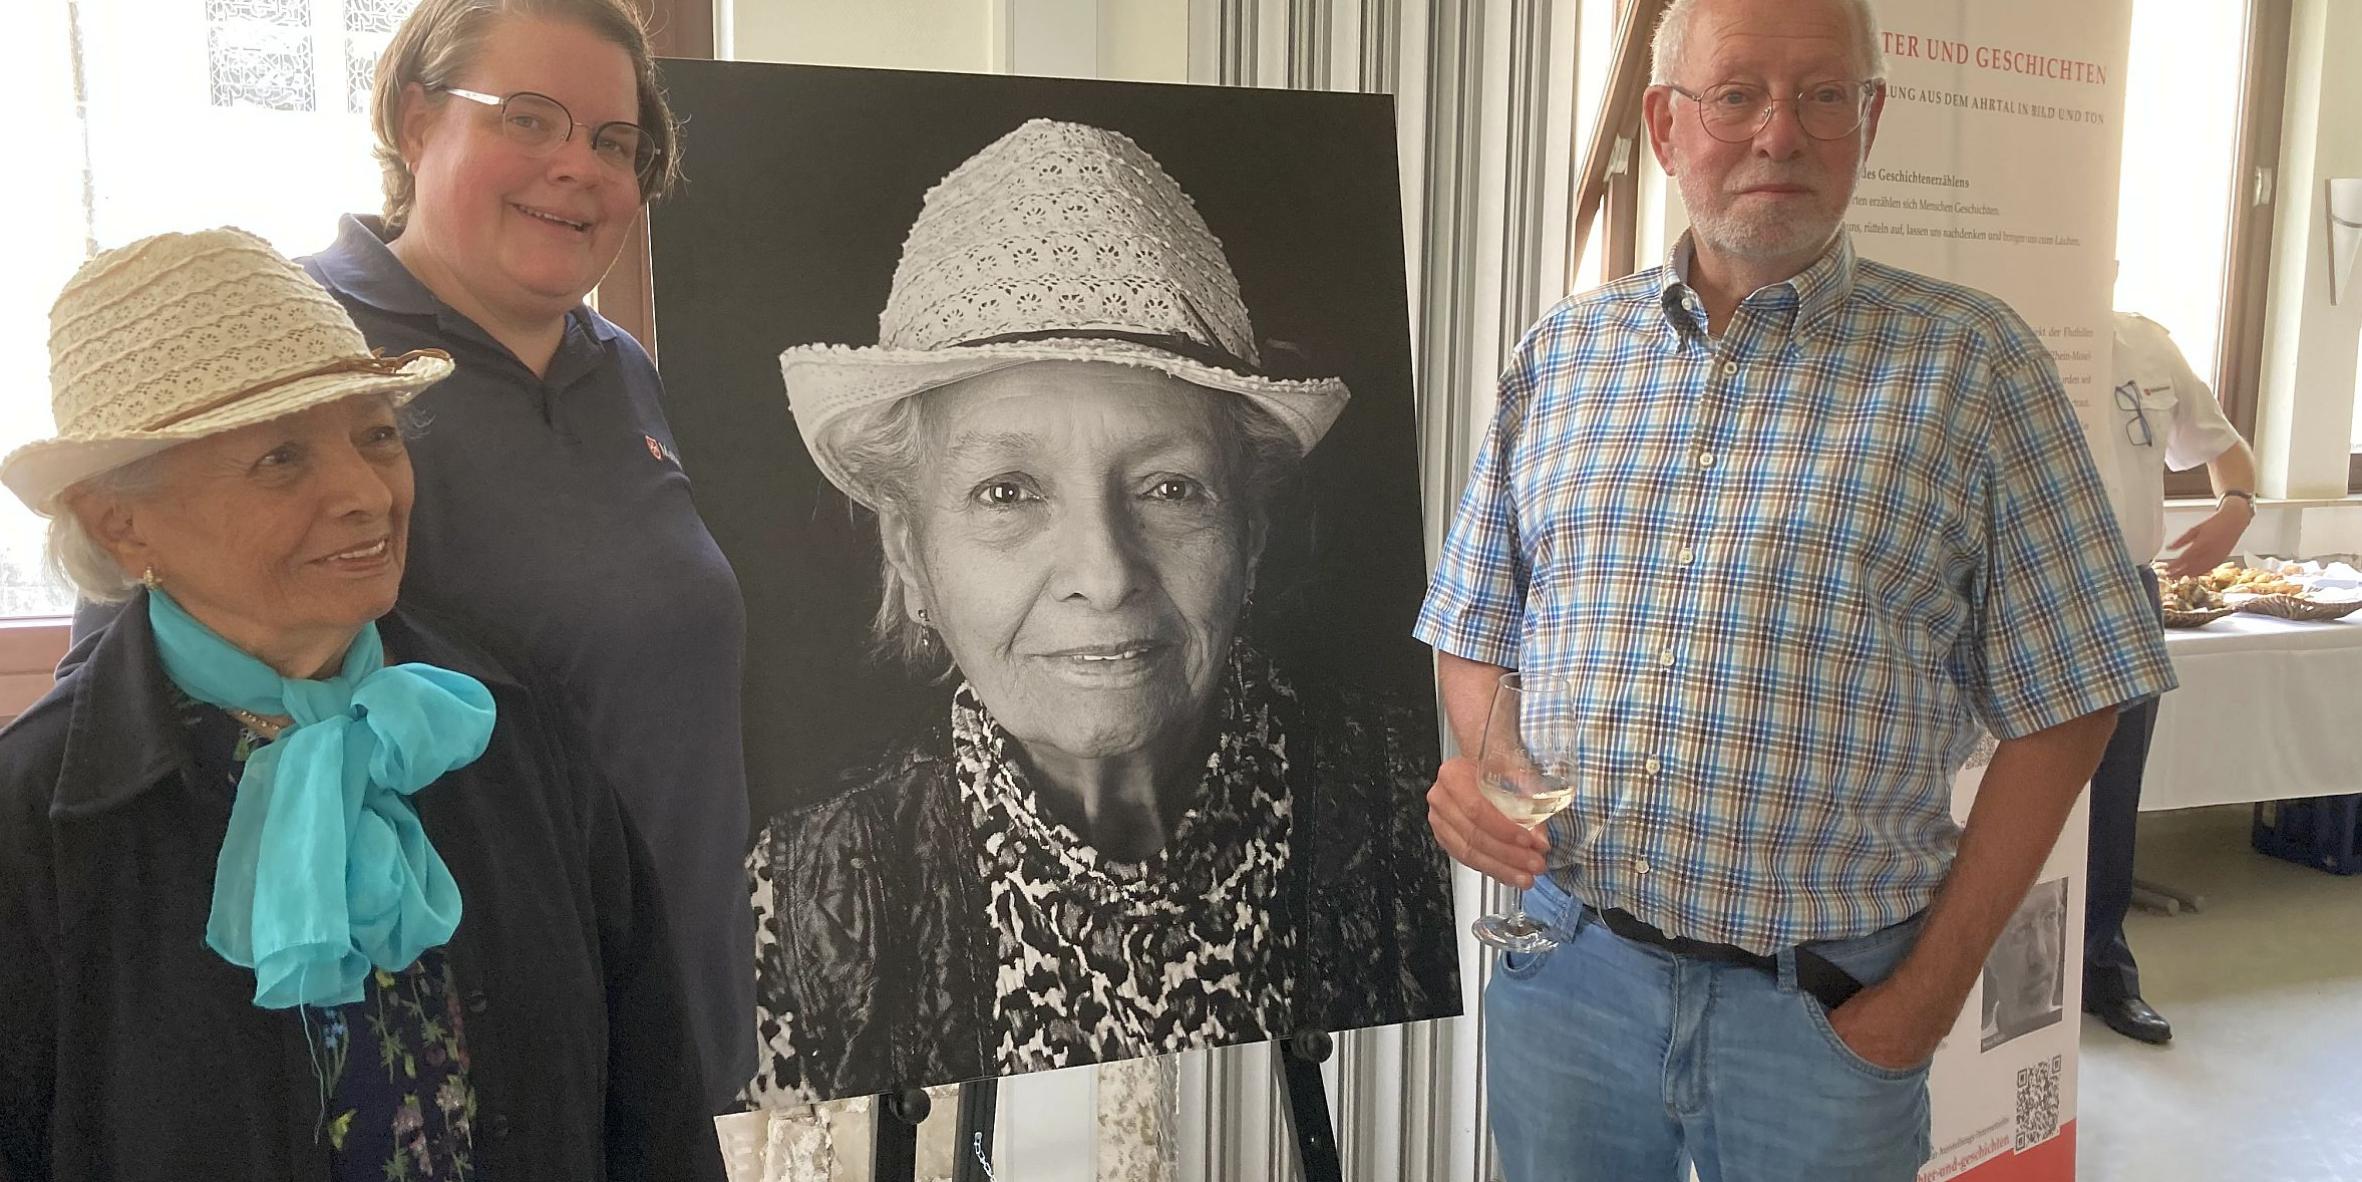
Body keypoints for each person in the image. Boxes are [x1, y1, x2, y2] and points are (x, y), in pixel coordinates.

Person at [1414, 1, 2177, 1178]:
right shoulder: (1560, 355)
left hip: (1820, 1018)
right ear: (1666, 128)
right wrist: (1483, 766)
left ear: (1869, 119)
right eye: (1736, 96)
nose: (1780, 133)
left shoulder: (1972, 366)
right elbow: (1473, 618)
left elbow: (2078, 694)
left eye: (1823, 95)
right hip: (1566, 982)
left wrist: (1925, 998)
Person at [63, 0, 755, 1107]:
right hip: (431, 1045)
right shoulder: (297, 361)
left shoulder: (621, 365)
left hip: (665, 1010)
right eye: (529, 120)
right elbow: (125, 719)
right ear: (414, 118)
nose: (577, 167)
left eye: (614, 142)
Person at [741, 119, 1458, 1104]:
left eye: (1169, 488)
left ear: (1248, 536)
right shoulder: (799, 891)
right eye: (1007, 491)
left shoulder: (1409, 817)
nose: (1105, 574)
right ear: (909, 555)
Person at [0, 228, 722, 1180]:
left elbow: (650, 1093)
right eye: (280, 459)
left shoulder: (497, 726)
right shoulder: (38, 824)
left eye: (376, 436)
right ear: (121, 522)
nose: (365, 494)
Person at [2081, 308, 2256, 1045]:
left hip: (2125, 591)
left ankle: (2102, 972)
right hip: (2011, 587)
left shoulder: (2148, 345)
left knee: (2113, 793)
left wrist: (2235, 509)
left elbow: (2225, 447)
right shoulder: (1996, 326)